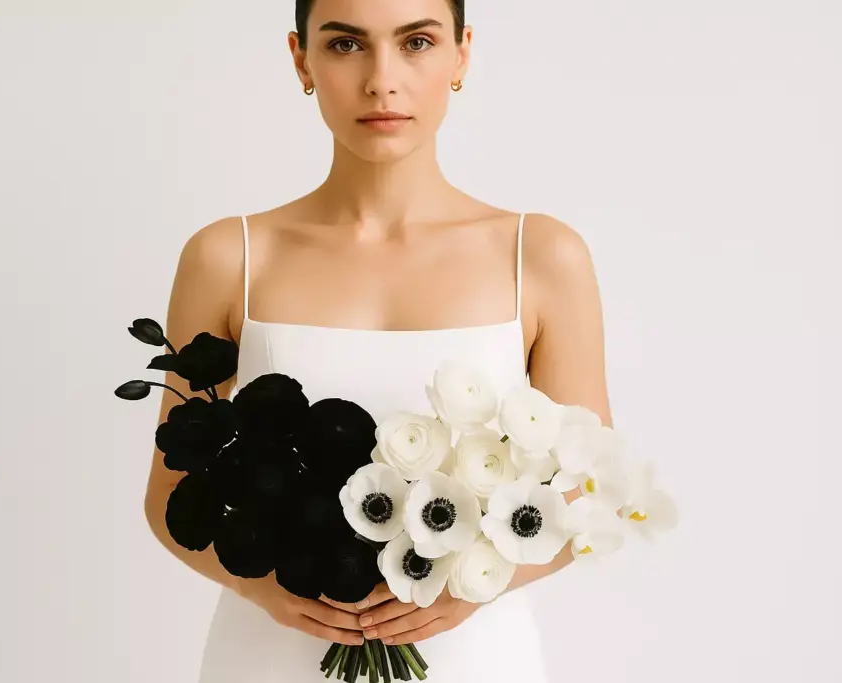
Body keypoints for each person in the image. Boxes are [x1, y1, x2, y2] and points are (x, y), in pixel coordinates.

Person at [143, 0, 613, 680]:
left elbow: (586, 491)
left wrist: (472, 584)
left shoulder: (540, 256)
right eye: (345, 46)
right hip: (274, 653)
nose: (381, 79)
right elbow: (169, 495)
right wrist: (260, 586)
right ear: (301, 59)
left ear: (462, 54)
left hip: (471, 655)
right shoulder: (229, 257)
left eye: (416, 42)